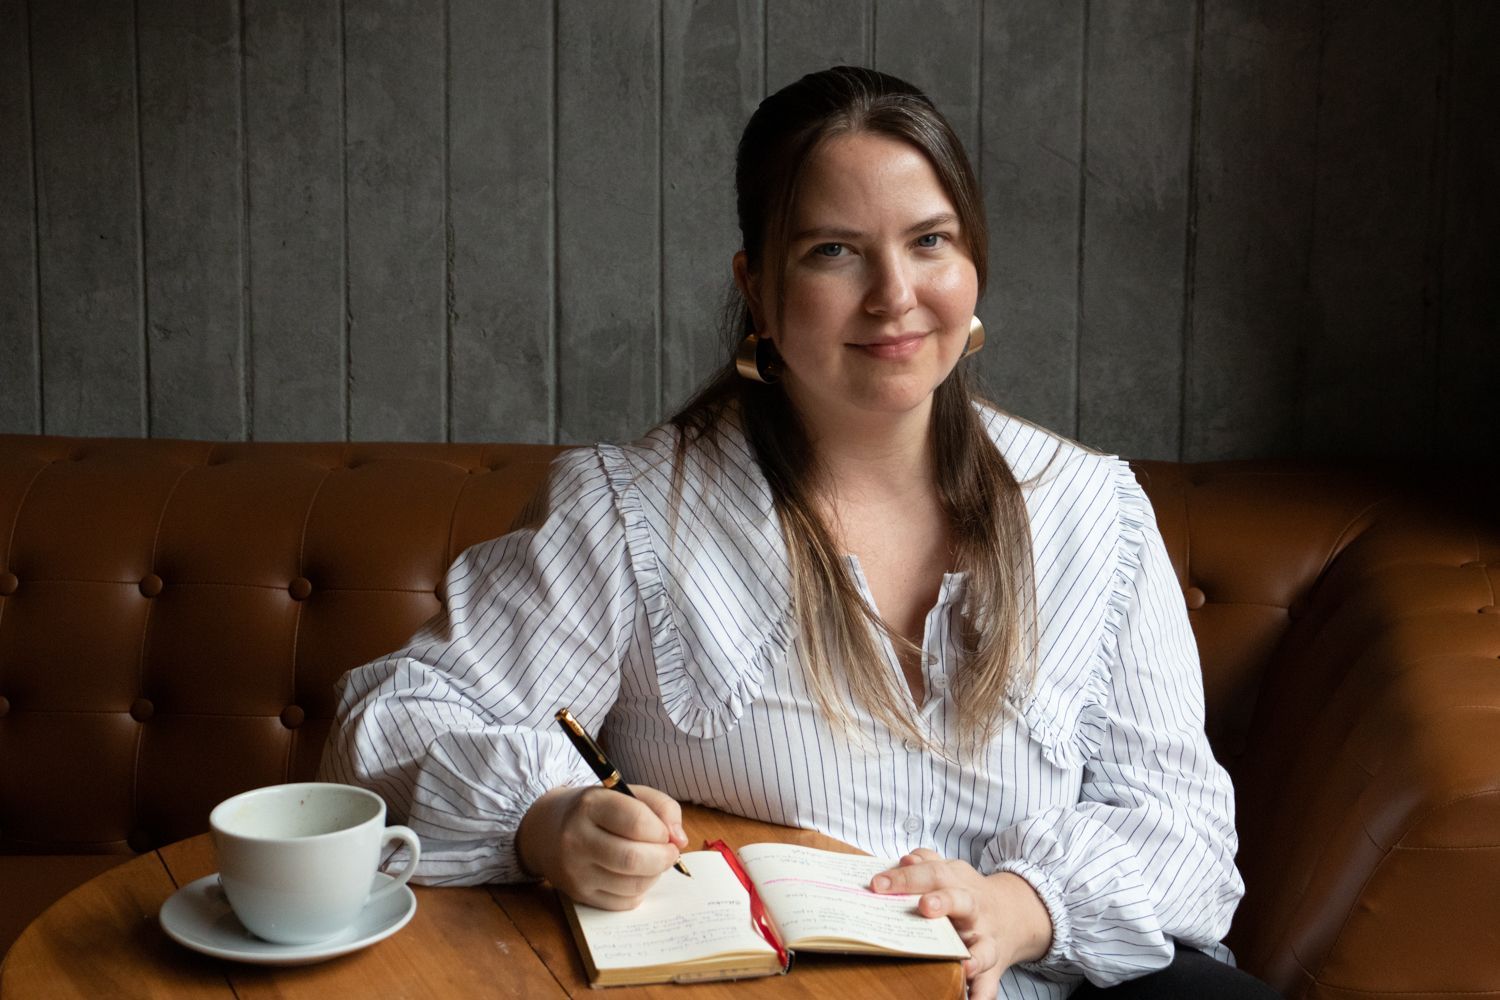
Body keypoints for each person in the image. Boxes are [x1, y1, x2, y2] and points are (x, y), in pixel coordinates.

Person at [322, 66, 1277, 999]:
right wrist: (547, 820)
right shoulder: (629, 511)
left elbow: (1183, 825)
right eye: (834, 250)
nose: (894, 293)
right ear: (758, 286)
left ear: (972, 259)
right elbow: (386, 730)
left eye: (930, 240)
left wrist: (1018, 907)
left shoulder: (1091, 509)